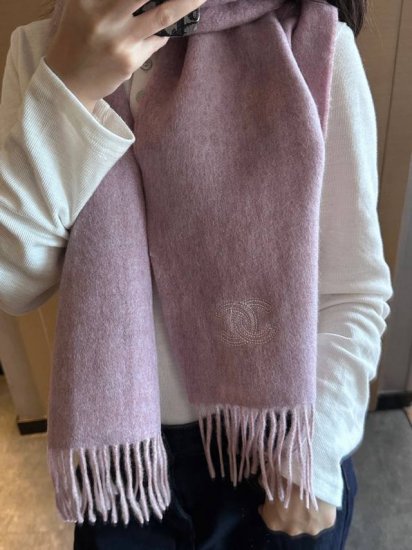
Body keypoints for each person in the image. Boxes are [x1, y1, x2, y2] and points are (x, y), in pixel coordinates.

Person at [0, 0, 393, 548]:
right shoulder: (44, 50)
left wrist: (318, 451)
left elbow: (354, 292)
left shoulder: (311, 40)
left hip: (277, 449)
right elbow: (14, 284)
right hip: (123, 462)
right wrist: (69, 91)